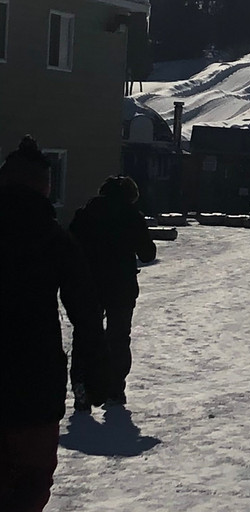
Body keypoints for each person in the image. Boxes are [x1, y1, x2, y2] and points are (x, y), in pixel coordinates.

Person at [0, 136, 107, 512]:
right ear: (44, 186)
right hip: (34, 380)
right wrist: (92, 376)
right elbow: (87, 314)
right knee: (31, 480)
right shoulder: (54, 238)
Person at [69, 176, 157, 408]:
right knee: (118, 338)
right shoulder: (131, 216)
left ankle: (81, 386)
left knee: (85, 335)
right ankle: (114, 388)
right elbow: (147, 253)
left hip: (89, 285)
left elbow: (70, 246)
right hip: (121, 286)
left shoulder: (85, 214)